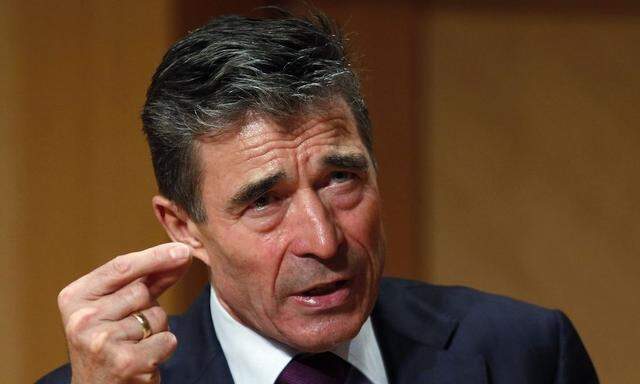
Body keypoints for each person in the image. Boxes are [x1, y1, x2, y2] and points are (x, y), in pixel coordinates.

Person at [38, 9, 598, 384]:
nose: (323, 239)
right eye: (264, 201)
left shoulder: (525, 353)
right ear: (184, 228)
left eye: (340, 179)